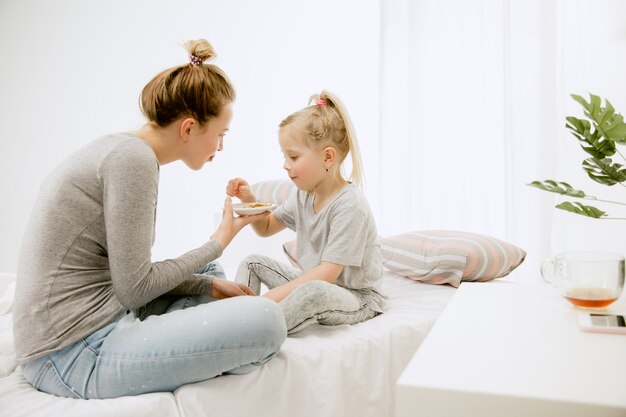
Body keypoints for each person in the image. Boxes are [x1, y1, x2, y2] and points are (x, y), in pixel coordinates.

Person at [12, 39, 287, 400]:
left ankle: (176, 340)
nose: (219, 148)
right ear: (188, 128)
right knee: (267, 321)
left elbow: (127, 277)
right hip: (70, 355)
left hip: (77, 325)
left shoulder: (123, 148)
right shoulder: (134, 162)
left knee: (210, 278)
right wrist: (217, 241)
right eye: (220, 135)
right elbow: (135, 288)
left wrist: (206, 284)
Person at [227, 91, 385, 334]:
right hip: (314, 281)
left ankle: (251, 331)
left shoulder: (350, 205)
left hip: (356, 296)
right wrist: (248, 199)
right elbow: (266, 228)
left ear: (327, 157)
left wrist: (271, 298)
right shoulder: (303, 194)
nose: (285, 164)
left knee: (312, 291)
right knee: (253, 262)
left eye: (293, 156)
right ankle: (234, 318)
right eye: (284, 156)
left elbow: (327, 274)